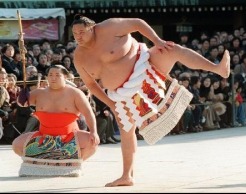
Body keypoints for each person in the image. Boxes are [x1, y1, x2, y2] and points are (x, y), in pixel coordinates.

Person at [72, 15, 230, 186]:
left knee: (171, 49)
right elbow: (91, 85)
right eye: (74, 34)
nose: (78, 37)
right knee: (127, 132)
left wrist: (157, 40)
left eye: (82, 32)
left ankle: (217, 68)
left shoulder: (109, 27)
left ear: (92, 27)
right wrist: (111, 104)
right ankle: (127, 176)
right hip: (121, 94)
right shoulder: (79, 57)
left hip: (146, 68)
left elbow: (137, 24)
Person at [12, 65, 99, 177]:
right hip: (43, 136)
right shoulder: (39, 93)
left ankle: (72, 163)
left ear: (65, 77)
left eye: (57, 75)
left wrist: (94, 131)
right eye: (50, 75)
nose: (53, 78)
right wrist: (22, 96)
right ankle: (43, 162)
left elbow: (89, 113)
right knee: (16, 145)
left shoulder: (75, 94)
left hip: (69, 136)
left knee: (92, 143)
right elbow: (22, 104)